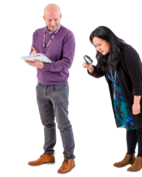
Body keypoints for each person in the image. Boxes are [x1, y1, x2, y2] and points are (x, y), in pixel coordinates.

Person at [82, 25, 142, 173]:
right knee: (129, 126)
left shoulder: (127, 52)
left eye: (100, 44)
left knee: (140, 126)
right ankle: (129, 156)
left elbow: (138, 80)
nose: (98, 48)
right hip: (122, 98)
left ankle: (141, 159)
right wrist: (91, 69)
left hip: (136, 95)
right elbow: (102, 72)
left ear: (109, 39)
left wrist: (136, 102)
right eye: (95, 46)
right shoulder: (105, 54)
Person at [26, 3, 76, 175]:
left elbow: (67, 64)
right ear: (43, 19)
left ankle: (70, 158)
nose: (53, 23)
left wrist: (42, 65)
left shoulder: (68, 35)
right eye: (50, 20)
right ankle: (48, 154)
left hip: (59, 86)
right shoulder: (36, 33)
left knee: (63, 124)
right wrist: (32, 59)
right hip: (40, 86)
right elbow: (34, 52)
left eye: (56, 19)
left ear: (61, 16)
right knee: (46, 123)